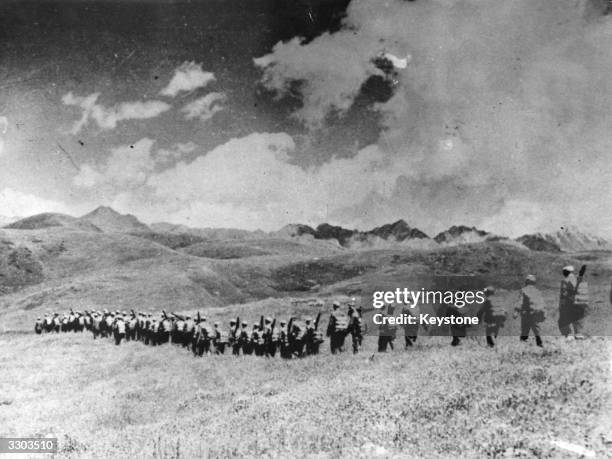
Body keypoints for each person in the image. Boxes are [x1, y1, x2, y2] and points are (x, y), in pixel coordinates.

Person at [559, 265, 588, 340]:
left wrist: (562, 306)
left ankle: (568, 335)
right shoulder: (578, 278)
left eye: (563, 272)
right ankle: (578, 334)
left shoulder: (565, 280)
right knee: (578, 319)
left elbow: (564, 295)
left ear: (565, 272)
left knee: (563, 320)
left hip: (571, 303)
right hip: (582, 303)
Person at [515, 274, 545, 347]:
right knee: (536, 329)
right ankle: (540, 343)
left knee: (525, 329)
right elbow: (541, 303)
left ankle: (523, 344)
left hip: (526, 314)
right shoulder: (537, 291)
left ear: (526, 282)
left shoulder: (523, 290)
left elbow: (520, 301)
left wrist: (516, 311)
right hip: (535, 313)